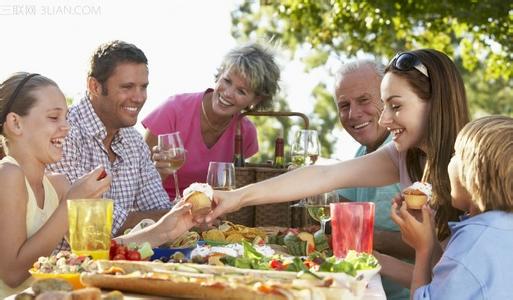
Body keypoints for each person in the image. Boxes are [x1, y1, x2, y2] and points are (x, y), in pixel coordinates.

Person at [206, 49, 469, 286]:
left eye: (396, 106)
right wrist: (236, 197)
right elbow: (324, 175)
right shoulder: (405, 156)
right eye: (385, 104)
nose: (384, 119)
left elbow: (452, 280)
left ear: (435, 103)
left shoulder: (472, 169)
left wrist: (369, 257)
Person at [0, 72, 197, 297]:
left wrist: (165, 228)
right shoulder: (9, 173)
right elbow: (12, 273)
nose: (66, 127)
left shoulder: (58, 184)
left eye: (66, 117)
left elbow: (99, 253)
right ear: (15, 123)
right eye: (54, 118)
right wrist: (72, 203)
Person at [48, 40, 173, 236]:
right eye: (127, 87)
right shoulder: (63, 134)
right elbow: (97, 223)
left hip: (123, 262)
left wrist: (186, 214)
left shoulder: (134, 141)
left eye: (143, 87)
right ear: (94, 86)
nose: (139, 97)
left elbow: (158, 205)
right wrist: (178, 217)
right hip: (66, 264)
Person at [391, 115, 513, 299]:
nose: (450, 160)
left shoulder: (474, 242)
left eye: (455, 154)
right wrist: (429, 240)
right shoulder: (499, 229)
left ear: (473, 172)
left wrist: (423, 251)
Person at [142, 43, 280, 199]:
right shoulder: (173, 110)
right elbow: (136, 181)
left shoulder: (245, 132)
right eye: (227, 81)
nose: (227, 93)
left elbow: (233, 187)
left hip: (209, 212)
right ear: (220, 74)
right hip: (158, 206)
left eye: (241, 91)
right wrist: (159, 172)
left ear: (256, 99)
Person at [333, 59, 409, 299]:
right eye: (344, 105)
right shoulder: (362, 151)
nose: (353, 113)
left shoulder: (404, 150)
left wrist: (362, 237)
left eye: (364, 100)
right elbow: (340, 211)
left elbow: (439, 244)